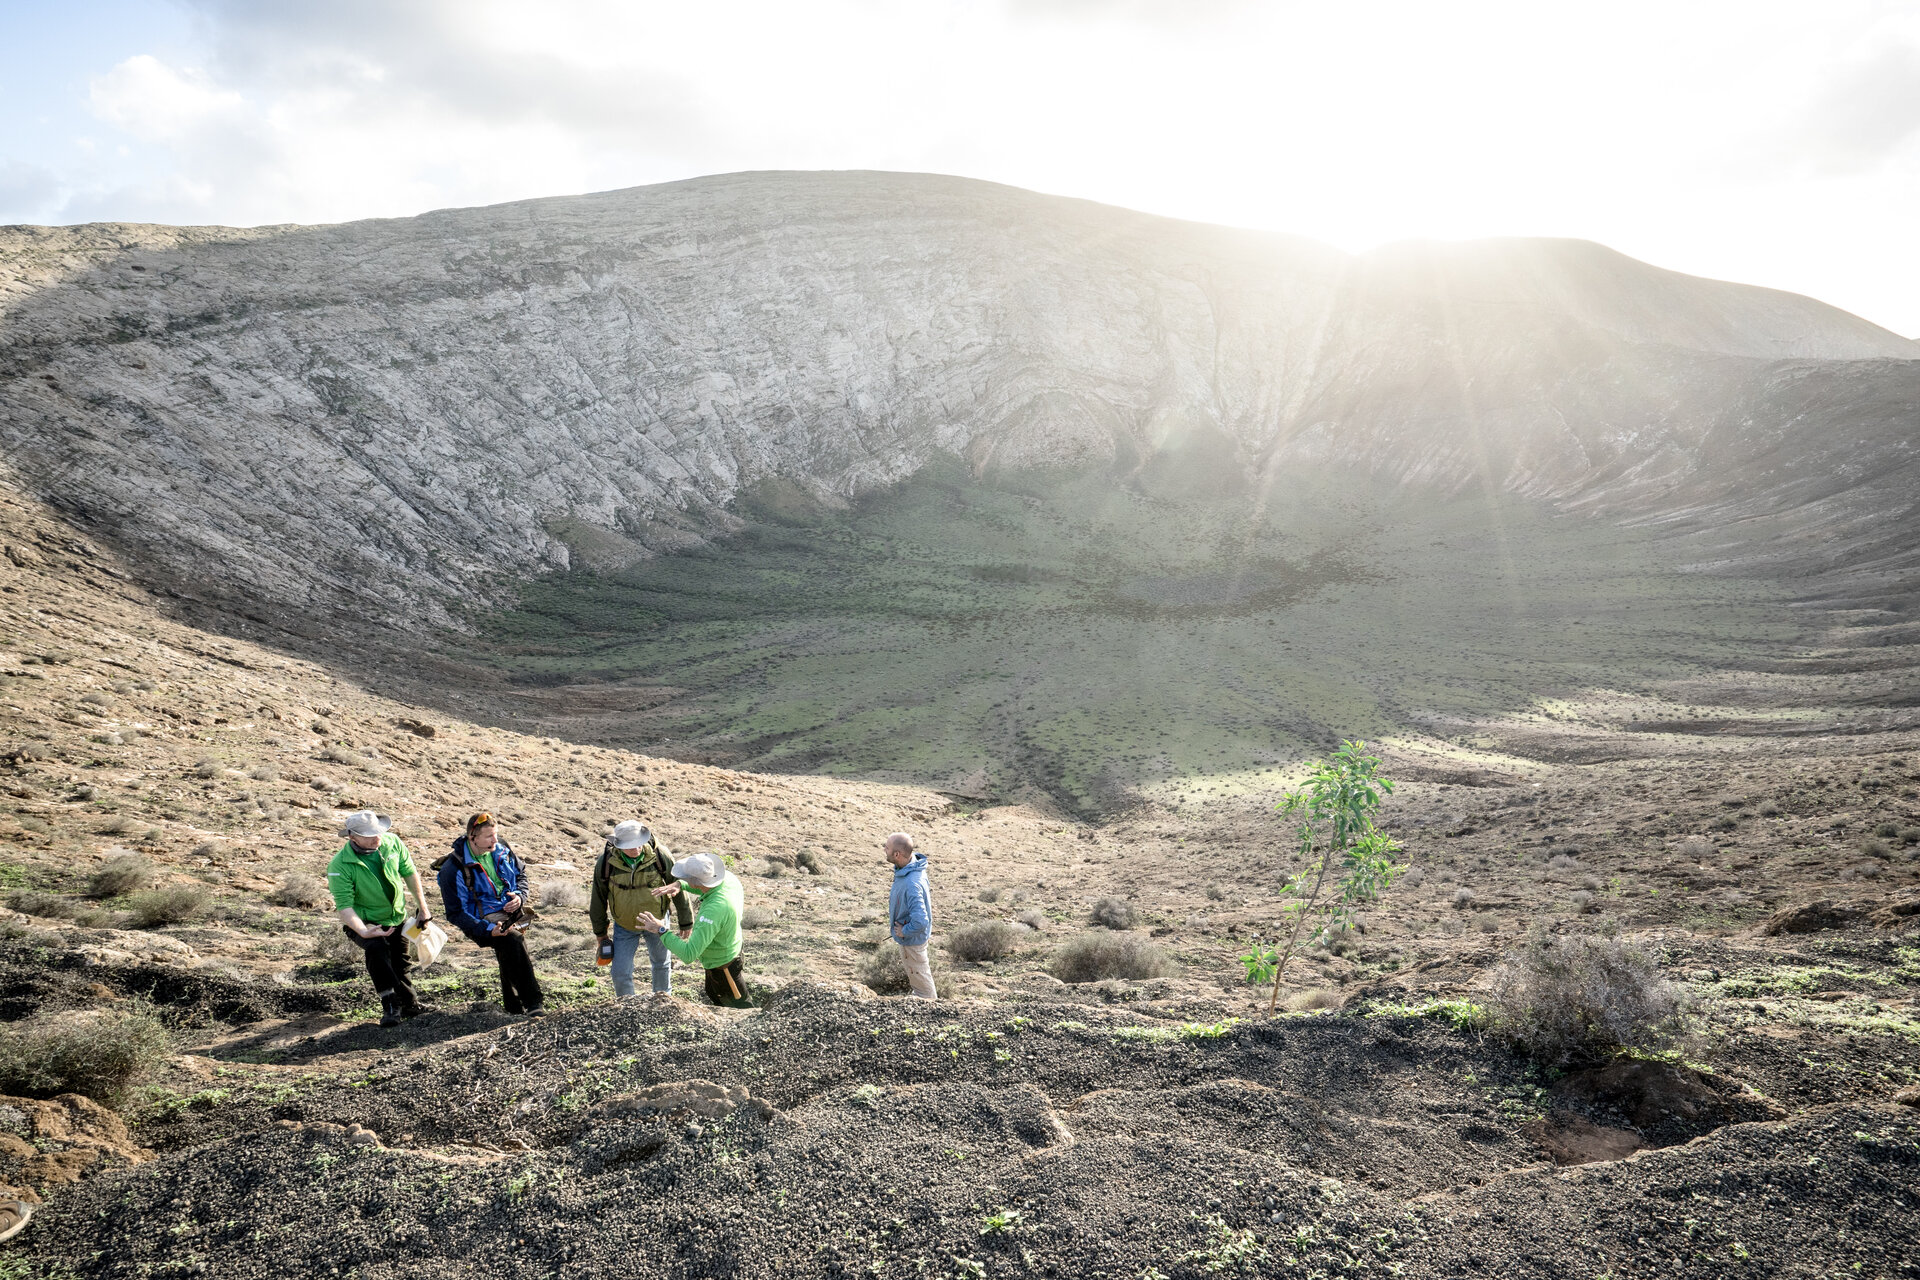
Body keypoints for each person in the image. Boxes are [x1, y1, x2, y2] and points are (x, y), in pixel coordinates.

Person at [326, 810, 433, 1027]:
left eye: (379, 832)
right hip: (364, 922)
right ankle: (391, 1005)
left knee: (400, 962)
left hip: (396, 918)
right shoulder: (339, 865)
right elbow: (345, 906)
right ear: (352, 837)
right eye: (369, 835)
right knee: (376, 950)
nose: (377, 838)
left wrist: (423, 908)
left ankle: (410, 1005)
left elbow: (410, 872)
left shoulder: (391, 842)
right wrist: (364, 931)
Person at [435, 811, 545, 1017]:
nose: (495, 840)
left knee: (510, 951)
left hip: (508, 913)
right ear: (472, 837)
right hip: (479, 921)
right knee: (512, 941)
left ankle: (513, 1007)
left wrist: (520, 896)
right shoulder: (453, 869)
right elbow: (455, 913)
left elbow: (521, 875)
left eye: (495, 834)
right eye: (488, 836)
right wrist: (487, 929)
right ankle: (533, 1003)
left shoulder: (501, 848)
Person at [590, 820, 693, 999]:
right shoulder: (606, 863)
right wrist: (600, 933)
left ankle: (663, 1001)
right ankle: (627, 1005)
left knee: (661, 963)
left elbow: (677, 886)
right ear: (619, 845)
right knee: (619, 971)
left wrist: (686, 921)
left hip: (657, 922)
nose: (636, 849)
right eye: (630, 846)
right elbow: (598, 898)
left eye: (638, 844)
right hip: (625, 925)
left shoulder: (661, 856)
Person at [635, 852, 749, 1008]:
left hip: (723, 968)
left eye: (686, 878)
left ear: (696, 882)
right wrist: (680, 885)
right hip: (729, 952)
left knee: (739, 1006)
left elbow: (689, 954)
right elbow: (705, 886)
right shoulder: (728, 879)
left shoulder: (714, 910)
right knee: (716, 996)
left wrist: (660, 929)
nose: (683, 879)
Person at [885, 832, 936, 1000]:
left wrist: (904, 931)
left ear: (897, 854)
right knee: (918, 978)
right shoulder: (909, 870)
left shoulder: (911, 883)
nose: (884, 849)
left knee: (923, 986)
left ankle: (931, 1011)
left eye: (887, 848)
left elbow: (921, 921)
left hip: (912, 941)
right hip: (911, 939)